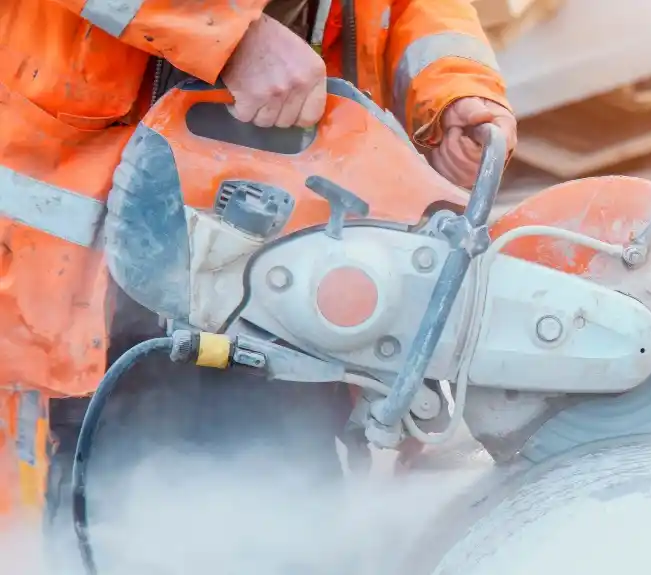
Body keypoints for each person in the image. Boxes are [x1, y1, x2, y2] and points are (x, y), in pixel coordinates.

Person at [0, 0, 516, 526]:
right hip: (103, 269)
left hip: (291, 233)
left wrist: (454, 86)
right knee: (120, 510)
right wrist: (230, 34)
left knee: (283, 502)